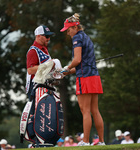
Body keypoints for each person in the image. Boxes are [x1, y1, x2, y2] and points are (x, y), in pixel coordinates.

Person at [60, 13, 105, 146]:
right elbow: (81, 64)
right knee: (95, 110)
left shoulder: (77, 39)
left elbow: (77, 60)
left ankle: (85, 141)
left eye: (68, 30)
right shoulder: (86, 37)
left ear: (75, 27)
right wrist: (68, 72)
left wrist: (66, 67)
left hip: (85, 78)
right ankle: (101, 141)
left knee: (85, 110)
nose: (68, 33)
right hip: (94, 77)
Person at [26, 25, 55, 100]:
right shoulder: (33, 51)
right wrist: (48, 65)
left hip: (44, 85)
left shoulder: (44, 49)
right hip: (35, 86)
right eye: (46, 36)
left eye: (49, 36)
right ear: (38, 36)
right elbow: (30, 70)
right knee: (36, 111)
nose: (48, 39)